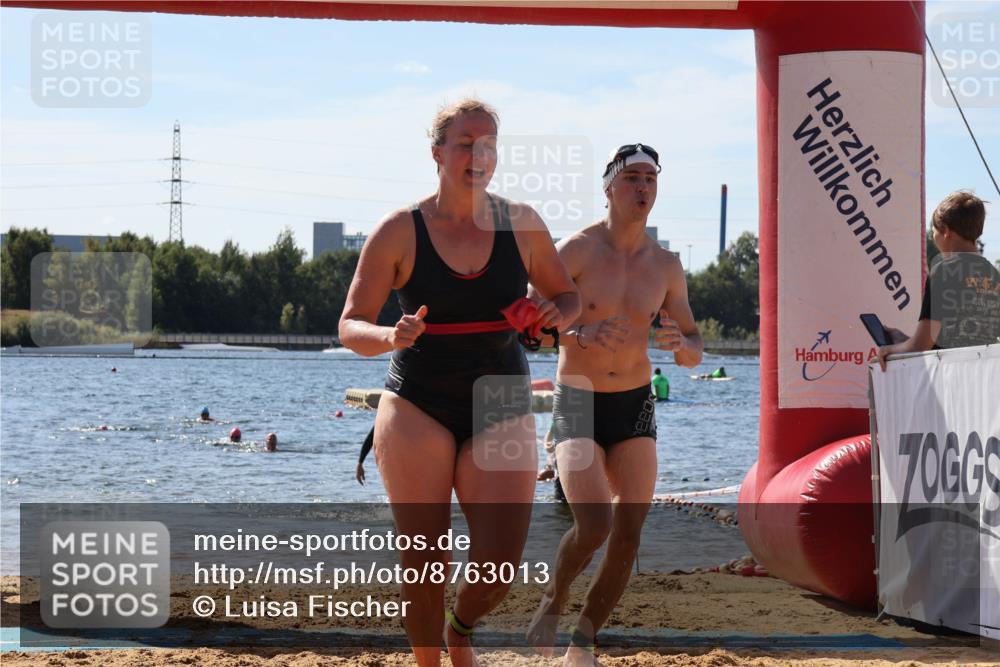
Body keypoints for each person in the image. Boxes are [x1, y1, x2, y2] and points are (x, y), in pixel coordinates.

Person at [338, 98, 580, 667]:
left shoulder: (521, 223)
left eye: (488, 144)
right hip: (417, 402)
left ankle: (460, 630)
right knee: (425, 563)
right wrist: (390, 335)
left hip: (500, 399)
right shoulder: (399, 230)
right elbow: (350, 325)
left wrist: (553, 312)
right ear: (437, 153)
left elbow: (568, 297)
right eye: (466, 143)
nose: (479, 154)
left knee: (500, 563)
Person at [526, 143, 703, 666]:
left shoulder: (666, 265)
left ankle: (583, 642)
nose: (643, 187)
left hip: (635, 404)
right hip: (577, 400)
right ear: (608, 188)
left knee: (627, 536)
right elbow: (529, 326)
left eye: (651, 178)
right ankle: (553, 600)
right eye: (632, 178)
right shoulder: (576, 250)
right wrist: (581, 333)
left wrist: (680, 345)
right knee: (594, 525)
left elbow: (694, 348)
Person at [877, 191, 1000, 370]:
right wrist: (904, 340)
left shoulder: (943, 272)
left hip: (950, 377)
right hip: (986, 376)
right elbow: (958, 340)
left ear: (946, 231)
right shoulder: (994, 274)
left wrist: (889, 349)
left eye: (934, 230)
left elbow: (920, 347)